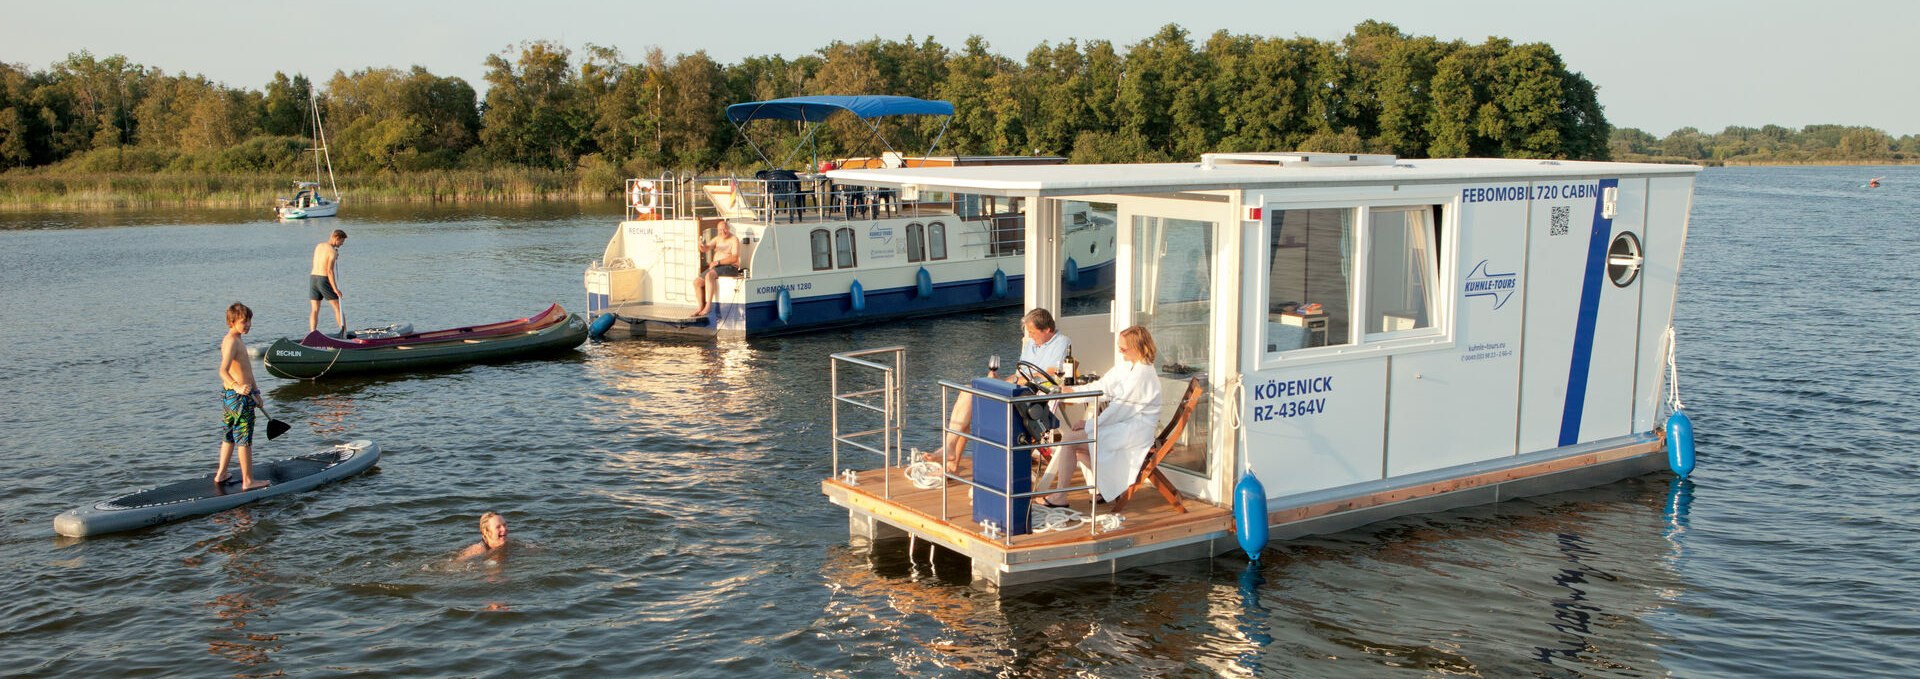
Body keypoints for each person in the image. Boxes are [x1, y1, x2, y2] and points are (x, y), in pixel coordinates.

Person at [930, 308, 1072, 472]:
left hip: (1032, 396)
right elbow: (1021, 373)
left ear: (1047, 330)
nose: (1031, 336)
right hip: (1017, 388)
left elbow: (1051, 372)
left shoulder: (1061, 341)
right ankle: (950, 448)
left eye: (1033, 332)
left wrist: (1017, 380)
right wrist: (1001, 381)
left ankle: (951, 457)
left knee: (972, 405)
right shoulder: (1030, 345)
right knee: (969, 392)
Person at [1039, 325, 1161, 507]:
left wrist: (1088, 425)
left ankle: (1061, 497)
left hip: (1134, 432)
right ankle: (1111, 487)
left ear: (1138, 347)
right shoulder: (1128, 366)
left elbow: (1119, 409)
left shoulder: (1142, 375)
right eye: (1119, 346)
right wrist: (1072, 391)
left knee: (1070, 440)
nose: (1120, 351)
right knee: (1077, 448)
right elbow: (1103, 386)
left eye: (1124, 348)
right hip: (1123, 425)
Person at [215, 303, 270, 491]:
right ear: (232, 322)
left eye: (249, 321)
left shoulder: (238, 339)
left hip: (236, 397)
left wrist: (256, 392)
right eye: (243, 321)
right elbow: (222, 371)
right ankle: (248, 481)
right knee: (244, 439)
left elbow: (246, 370)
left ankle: (221, 473)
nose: (248, 325)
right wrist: (238, 387)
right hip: (237, 397)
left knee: (229, 435)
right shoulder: (231, 341)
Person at [693, 221, 740, 316]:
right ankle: (700, 307)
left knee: (709, 275)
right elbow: (706, 248)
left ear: (728, 228)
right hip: (717, 267)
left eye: (724, 229)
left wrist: (717, 262)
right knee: (697, 282)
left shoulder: (734, 239)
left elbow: (734, 258)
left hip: (730, 267)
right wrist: (701, 246)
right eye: (720, 230)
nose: (722, 232)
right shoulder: (718, 238)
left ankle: (709, 305)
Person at [308, 229, 347, 334]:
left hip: (313, 278)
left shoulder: (319, 246)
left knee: (315, 309)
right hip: (323, 279)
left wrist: (334, 255)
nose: (342, 244)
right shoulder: (332, 252)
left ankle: (312, 333)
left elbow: (322, 259)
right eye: (342, 241)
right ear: (336, 238)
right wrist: (335, 289)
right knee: (337, 307)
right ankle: (344, 334)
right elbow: (329, 271)